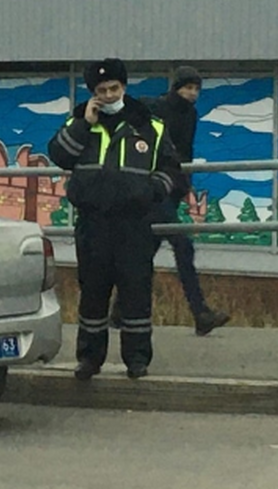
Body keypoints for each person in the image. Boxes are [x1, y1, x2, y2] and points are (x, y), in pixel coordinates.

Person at [48, 58, 184, 380]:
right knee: (93, 293)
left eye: (114, 88)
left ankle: (137, 359)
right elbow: (60, 154)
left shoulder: (149, 125)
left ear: (124, 87)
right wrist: (84, 123)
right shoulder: (79, 122)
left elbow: (170, 169)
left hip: (133, 224)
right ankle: (89, 359)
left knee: (135, 292)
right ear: (93, 93)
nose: (109, 95)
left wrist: (151, 190)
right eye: (102, 90)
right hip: (93, 223)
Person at [142, 66, 231, 336]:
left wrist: (185, 184)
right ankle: (200, 312)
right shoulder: (157, 108)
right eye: (188, 88)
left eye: (196, 89)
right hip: (155, 189)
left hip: (173, 189)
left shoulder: (191, 114)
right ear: (176, 87)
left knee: (145, 252)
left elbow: (186, 151)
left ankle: (119, 311)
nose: (192, 94)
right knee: (183, 245)